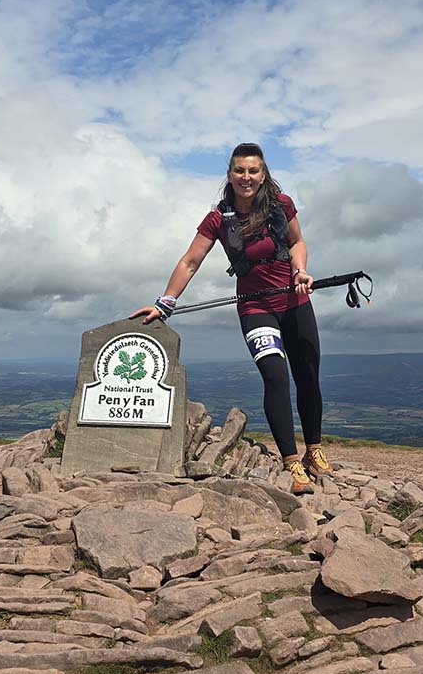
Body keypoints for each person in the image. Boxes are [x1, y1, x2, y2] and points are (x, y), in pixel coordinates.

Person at [132, 142, 333, 495]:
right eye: (240, 170)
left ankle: (314, 448)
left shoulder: (281, 206)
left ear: (263, 173)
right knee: (275, 376)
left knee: (308, 377)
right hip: (255, 309)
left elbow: (298, 241)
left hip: (294, 301)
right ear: (229, 174)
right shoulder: (218, 219)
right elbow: (190, 261)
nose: (246, 177)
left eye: (253, 170)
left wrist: (301, 270)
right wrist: (165, 303)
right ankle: (291, 461)